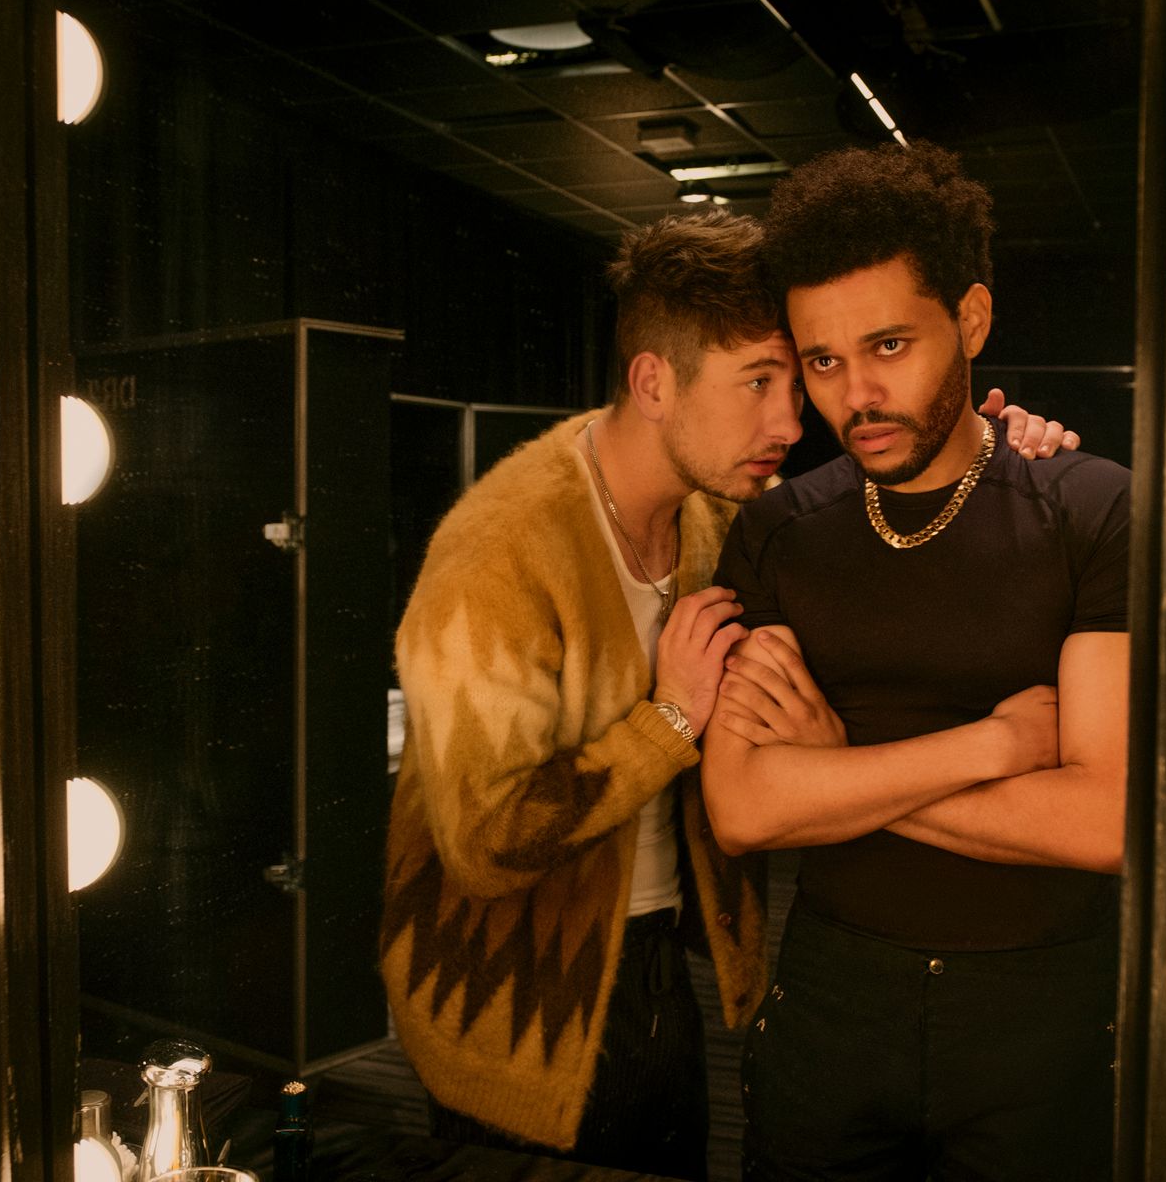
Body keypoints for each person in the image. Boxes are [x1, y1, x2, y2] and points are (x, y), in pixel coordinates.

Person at [379, 208, 1075, 1179]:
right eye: (758, 383)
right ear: (653, 383)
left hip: (666, 967)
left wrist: (1000, 447)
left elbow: (893, 521)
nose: (791, 425)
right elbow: (486, 844)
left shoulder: (717, 518)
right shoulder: (497, 553)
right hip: (515, 1006)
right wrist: (669, 718)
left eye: (797, 382)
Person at [702, 143, 1131, 1182]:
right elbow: (745, 812)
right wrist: (995, 747)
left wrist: (835, 767)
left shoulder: (1089, 509)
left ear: (971, 321)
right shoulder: (779, 533)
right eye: (824, 361)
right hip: (833, 994)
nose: (859, 394)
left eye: (889, 344)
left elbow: (1105, 822)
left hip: (1043, 1007)